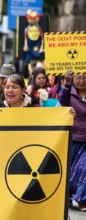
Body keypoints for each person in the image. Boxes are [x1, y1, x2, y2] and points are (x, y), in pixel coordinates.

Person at [58, 70, 86, 211]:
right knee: (72, 170)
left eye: (84, 78)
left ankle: (82, 199)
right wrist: (67, 83)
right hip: (73, 137)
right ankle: (67, 196)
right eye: (78, 78)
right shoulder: (69, 92)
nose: (81, 81)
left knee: (84, 168)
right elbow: (62, 101)